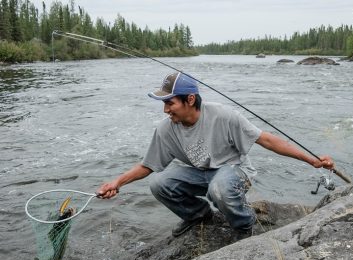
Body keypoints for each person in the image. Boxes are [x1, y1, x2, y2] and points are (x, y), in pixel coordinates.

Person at [96, 72, 334, 238]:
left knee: (219, 188)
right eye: (163, 103)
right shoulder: (166, 128)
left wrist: (312, 160)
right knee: (158, 183)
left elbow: (267, 140)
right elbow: (148, 166)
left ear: (190, 99)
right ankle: (199, 216)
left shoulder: (223, 115)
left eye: (170, 103)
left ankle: (244, 225)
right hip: (199, 174)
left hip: (235, 171)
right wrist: (117, 183)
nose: (165, 109)